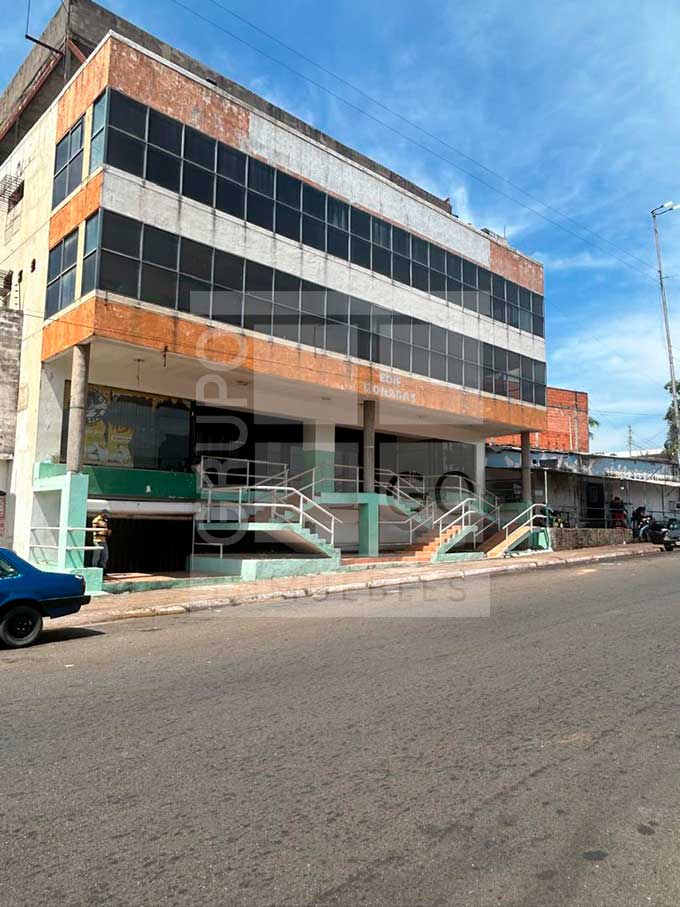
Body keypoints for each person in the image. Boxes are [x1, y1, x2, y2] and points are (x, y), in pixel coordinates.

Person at [92, 509, 111, 574]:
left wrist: (107, 532)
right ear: (102, 513)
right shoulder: (96, 520)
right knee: (96, 556)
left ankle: (103, 569)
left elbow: (105, 529)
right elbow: (94, 529)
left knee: (105, 555)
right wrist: (102, 530)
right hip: (97, 540)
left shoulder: (105, 520)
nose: (106, 516)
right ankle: (94, 569)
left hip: (104, 540)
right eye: (106, 514)